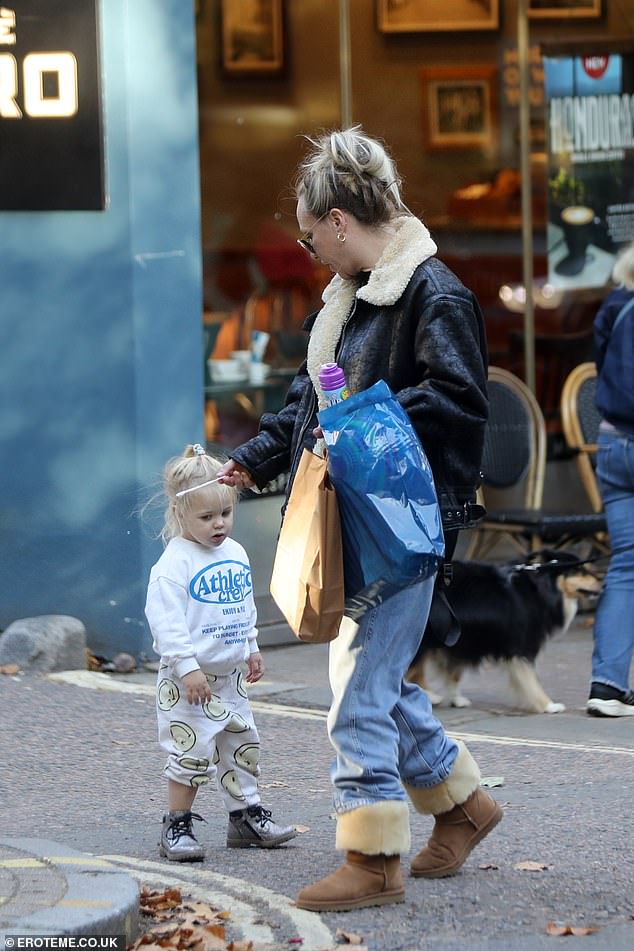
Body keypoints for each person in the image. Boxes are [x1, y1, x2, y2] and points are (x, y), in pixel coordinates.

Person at [218, 126, 502, 911]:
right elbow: (307, 402)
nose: (312, 254)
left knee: (357, 684)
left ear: (340, 220)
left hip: (408, 525)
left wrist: (360, 420)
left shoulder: (432, 291)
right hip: (372, 521)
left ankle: (373, 857)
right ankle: (463, 805)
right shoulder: (351, 297)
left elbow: (460, 403)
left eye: (313, 238)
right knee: (380, 675)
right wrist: (254, 458)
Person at [145, 443, 297, 860]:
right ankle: (176, 824)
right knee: (190, 752)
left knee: (242, 745)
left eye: (226, 514)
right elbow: (167, 624)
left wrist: (251, 646)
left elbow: (242, 605)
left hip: (230, 679)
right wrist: (187, 668)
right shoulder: (173, 565)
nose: (219, 525)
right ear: (180, 515)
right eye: (207, 517)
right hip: (188, 684)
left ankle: (244, 817)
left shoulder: (236, 553)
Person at [587, 242, 634, 717]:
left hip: (615, 444)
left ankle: (607, 686)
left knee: (625, 566)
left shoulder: (614, 304)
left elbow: (604, 370)